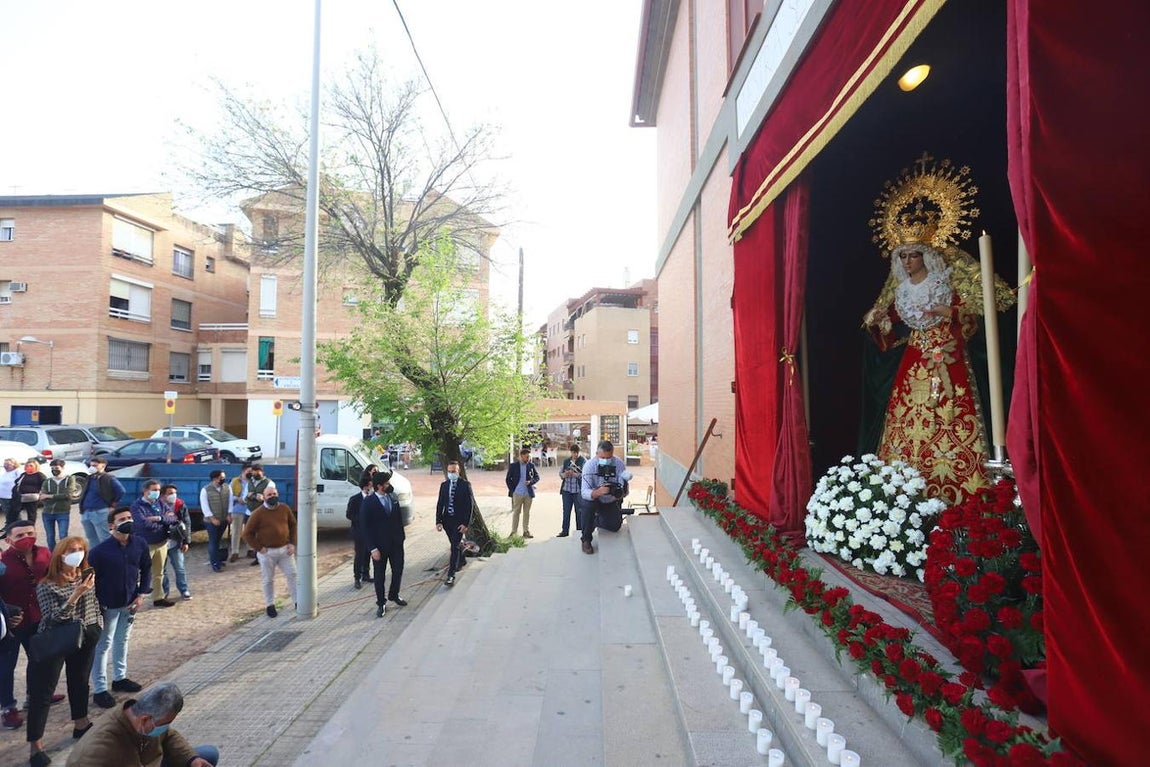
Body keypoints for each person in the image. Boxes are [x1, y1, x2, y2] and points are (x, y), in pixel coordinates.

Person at [863, 240, 992, 504]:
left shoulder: (943, 284)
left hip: (947, 357)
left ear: (926, 256)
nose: (908, 261)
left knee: (951, 413)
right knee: (907, 418)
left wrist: (952, 312)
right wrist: (878, 323)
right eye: (903, 256)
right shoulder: (901, 292)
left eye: (913, 255)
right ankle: (905, 492)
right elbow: (891, 331)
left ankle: (959, 487)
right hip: (913, 361)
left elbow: (974, 321)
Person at [27, 536, 102, 767]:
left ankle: (81, 724)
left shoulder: (86, 574)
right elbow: (52, 619)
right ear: (60, 555)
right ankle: (36, 747)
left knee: (79, 681)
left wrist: (97, 623)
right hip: (57, 639)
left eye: (81, 549)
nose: (77, 553)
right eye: (72, 550)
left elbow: (94, 602)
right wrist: (76, 593)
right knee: (43, 692)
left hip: (86, 634)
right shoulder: (46, 584)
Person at [64, 681, 219, 767]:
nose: (164, 728)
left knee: (208, 754)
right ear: (145, 719)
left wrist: (191, 759)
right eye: (164, 724)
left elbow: (168, 736)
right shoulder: (99, 750)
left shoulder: (141, 716)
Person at [88, 507, 152, 710]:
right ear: (111, 525)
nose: (128, 521)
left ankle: (120, 678)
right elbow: (90, 580)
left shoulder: (139, 543)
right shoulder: (99, 552)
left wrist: (141, 594)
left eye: (130, 517)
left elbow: (147, 568)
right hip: (108, 606)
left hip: (131, 603)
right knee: (103, 645)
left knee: (122, 640)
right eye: (122, 519)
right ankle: (99, 689)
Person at [0, 520, 55, 730]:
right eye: (20, 535)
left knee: (39, 660)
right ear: (8, 540)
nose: (26, 538)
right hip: (12, 625)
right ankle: (8, 708)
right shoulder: (3, 562)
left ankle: (35, 695)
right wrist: (7, 614)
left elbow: (52, 578)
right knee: (6, 668)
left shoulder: (44, 553)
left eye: (30, 533)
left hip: (38, 619)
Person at [242, 486, 297, 618]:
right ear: (264, 497)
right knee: (268, 580)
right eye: (269, 495)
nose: (272, 496)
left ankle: (297, 601)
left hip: (285, 550)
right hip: (267, 552)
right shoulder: (258, 513)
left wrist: (292, 543)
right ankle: (270, 605)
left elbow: (293, 525)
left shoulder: (284, 508)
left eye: (274, 494)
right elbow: (247, 534)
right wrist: (259, 548)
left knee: (293, 575)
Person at [361, 472, 406, 617]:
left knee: (398, 570)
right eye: (387, 483)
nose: (389, 485)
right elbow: (364, 527)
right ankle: (381, 603)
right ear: (379, 486)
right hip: (379, 547)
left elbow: (399, 520)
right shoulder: (368, 502)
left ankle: (394, 594)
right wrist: (372, 548)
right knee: (380, 575)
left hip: (396, 544)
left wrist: (401, 538)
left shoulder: (392, 498)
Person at [579, 440, 633, 555]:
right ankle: (586, 539)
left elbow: (623, 488)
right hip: (594, 499)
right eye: (603, 457)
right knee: (588, 505)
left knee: (615, 526)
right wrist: (598, 492)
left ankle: (595, 521)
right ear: (596, 454)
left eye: (609, 457)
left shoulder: (618, 463)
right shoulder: (589, 466)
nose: (606, 460)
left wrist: (620, 492)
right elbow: (584, 492)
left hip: (610, 499)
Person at [130, 481, 174, 609]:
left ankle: (158, 598)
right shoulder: (137, 506)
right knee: (139, 572)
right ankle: (133, 597)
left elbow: (173, 518)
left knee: (159, 572)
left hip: (161, 543)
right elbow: (143, 525)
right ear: (145, 491)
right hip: (146, 545)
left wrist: (158, 519)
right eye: (154, 490)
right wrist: (163, 520)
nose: (157, 492)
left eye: (158, 490)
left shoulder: (160, 503)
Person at [435, 461, 473, 586]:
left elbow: (469, 506)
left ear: (459, 471)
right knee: (454, 543)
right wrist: (438, 521)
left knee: (454, 546)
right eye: (449, 471)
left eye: (454, 471)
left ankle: (451, 575)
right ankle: (461, 559)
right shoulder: (444, 485)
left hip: (459, 521)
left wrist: (465, 524)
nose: (451, 474)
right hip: (447, 521)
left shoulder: (465, 485)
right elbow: (440, 503)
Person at [78, 457, 124, 549]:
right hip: (86, 512)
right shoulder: (90, 478)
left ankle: (108, 557)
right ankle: (95, 557)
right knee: (91, 537)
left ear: (103, 466)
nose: (92, 467)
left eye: (95, 465)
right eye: (91, 465)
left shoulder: (108, 478)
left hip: (100, 512)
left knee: (104, 537)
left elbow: (121, 491)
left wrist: (113, 505)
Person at [159, 486, 192, 601]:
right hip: (160, 543)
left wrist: (186, 541)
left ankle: (184, 590)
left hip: (176, 543)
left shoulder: (180, 505)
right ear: (163, 495)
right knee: (161, 570)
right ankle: (164, 592)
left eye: (175, 493)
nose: (174, 495)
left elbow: (186, 523)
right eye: (170, 493)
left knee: (180, 568)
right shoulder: (156, 506)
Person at [243, 464, 275, 568]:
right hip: (249, 512)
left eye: (258, 472)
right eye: (253, 472)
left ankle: (264, 557)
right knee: (251, 536)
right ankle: (257, 557)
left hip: (262, 513)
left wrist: (258, 497)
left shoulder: (269, 483)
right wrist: (253, 496)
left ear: (262, 472)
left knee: (262, 536)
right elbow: (245, 497)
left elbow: (270, 498)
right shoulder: (250, 483)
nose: (255, 474)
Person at [40, 459, 75, 552]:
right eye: (52, 468)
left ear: (62, 468)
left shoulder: (69, 479)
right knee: (50, 537)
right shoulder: (47, 481)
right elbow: (42, 496)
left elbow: (68, 495)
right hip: (47, 512)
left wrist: (49, 496)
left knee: (63, 535)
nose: (54, 470)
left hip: (62, 512)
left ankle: (65, 553)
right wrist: (50, 497)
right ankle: (53, 555)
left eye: (56, 468)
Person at [200, 470, 232, 573]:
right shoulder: (205, 490)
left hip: (223, 519)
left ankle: (217, 560)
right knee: (213, 541)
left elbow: (230, 501)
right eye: (221, 477)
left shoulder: (227, 487)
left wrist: (229, 514)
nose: (223, 479)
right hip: (211, 521)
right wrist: (212, 518)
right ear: (215, 478)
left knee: (218, 540)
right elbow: (204, 506)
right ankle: (214, 563)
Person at [345, 477, 373, 590]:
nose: (372, 487)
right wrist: (361, 518)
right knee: (360, 555)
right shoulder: (355, 499)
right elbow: (349, 514)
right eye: (371, 485)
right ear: (366, 486)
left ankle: (366, 574)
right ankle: (357, 577)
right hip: (359, 531)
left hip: (370, 532)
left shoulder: (372, 498)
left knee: (368, 553)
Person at [504, 448, 539, 539]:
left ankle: (526, 531)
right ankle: (514, 532)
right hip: (517, 493)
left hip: (528, 493)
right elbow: (508, 479)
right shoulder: (513, 466)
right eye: (526, 457)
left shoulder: (531, 465)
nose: (528, 458)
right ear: (521, 456)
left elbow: (537, 477)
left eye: (529, 457)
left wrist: (530, 482)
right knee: (516, 512)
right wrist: (513, 490)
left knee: (526, 513)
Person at [228, 464, 254, 564]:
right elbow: (230, 496)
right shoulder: (235, 481)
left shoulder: (253, 481)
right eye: (249, 471)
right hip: (237, 509)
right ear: (243, 471)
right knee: (236, 532)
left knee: (250, 531)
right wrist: (237, 499)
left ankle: (250, 549)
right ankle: (235, 552)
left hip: (250, 510)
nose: (250, 473)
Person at [558, 445, 585, 538]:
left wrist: (575, 474)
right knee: (566, 511)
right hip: (567, 490)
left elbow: (584, 476)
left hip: (577, 491)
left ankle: (579, 531)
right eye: (573, 452)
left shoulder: (583, 461)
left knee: (579, 512)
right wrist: (565, 474)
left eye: (577, 452)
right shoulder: (566, 461)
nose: (575, 454)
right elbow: (560, 474)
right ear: (571, 452)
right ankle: (564, 531)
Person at [13, 460, 44, 526]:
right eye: (27, 466)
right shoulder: (24, 474)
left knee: (31, 514)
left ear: (36, 467)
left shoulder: (39, 475)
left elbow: (44, 485)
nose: (28, 467)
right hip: (21, 496)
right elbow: (17, 482)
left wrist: (41, 494)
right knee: (14, 512)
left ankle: (31, 527)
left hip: (32, 497)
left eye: (31, 466)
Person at [0, 458, 20, 526]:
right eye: (5, 464)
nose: (6, 466)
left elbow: (20, 483)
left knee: (14, 513)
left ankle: (18, 526)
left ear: (14, 464)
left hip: (11, 497)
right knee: (7, 513)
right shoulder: (4, 473)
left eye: (8, 464)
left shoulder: (17, 472)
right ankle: (8, 525)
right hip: (3, 496)